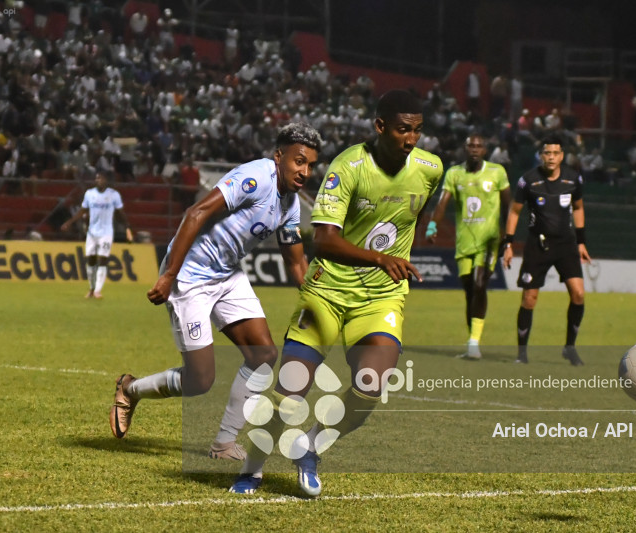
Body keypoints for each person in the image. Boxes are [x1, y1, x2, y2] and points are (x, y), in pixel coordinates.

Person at [230, 90, 443, 497]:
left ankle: (309, 446)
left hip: (381, 298)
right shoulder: (348, 167)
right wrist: (381, 259)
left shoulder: (431, 168)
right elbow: (324, 241)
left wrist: (395, 255)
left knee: (371, 385)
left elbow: (415, 211)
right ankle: (252, 468)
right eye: (403, 130)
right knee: (289, 394)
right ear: (380, 127)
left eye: (417, 130)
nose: (411, 139)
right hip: (327, 291)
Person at [107, 124, 322, 464]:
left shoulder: (291, 205)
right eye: (299, 162)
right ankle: (130, 389)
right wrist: (169, 276)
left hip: (226, 275)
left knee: (263, 354)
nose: (305, 171)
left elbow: (296, 265)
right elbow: (196, 213)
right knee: (200, 379)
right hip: (190, 275)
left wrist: (321, 303)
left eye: (310, 165)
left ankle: (223, 443)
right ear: (279, 157)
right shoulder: (255, 178)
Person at [502, 134, 590, 366]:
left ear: (562, 156)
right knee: (529, 299)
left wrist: (581, 242)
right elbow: (514, 211)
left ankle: (570, 348)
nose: (551, 157)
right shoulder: (528, 180)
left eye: (555, 153)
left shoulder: (573, 179)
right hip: (537, 246)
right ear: (541, 155)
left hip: (566, 245)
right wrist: (508, 244)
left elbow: (578, 208)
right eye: (547, 153)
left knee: (579, 294)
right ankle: (522, 354)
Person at [425, 133, 510, 359]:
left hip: (489, 240)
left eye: (479, 146)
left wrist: (507, 237)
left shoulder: (497, 172)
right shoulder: (454, 173)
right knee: (469, 291)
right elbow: (442, 203)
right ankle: (472, 340)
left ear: (485, 150)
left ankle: (474, 343)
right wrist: (433, 226)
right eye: (470, 145)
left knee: (480, 284)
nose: (474, 149)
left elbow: (508, 207)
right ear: (465, 149)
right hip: (464, 243)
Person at [61, 172, 134, 299]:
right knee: (91, 260)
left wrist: (127, 228)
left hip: (106, 233)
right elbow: (83, 210)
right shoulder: (89, 194)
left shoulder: (113, 195)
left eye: (100, 178)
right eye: (96, 178)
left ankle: (98, 290)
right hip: (92, 232)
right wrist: (70, 222)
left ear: (106, 179)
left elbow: (120, 213)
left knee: (103, 259)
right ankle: (91, 287)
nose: (98, 180)